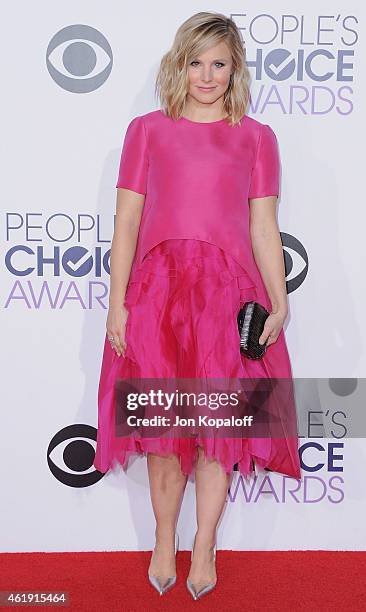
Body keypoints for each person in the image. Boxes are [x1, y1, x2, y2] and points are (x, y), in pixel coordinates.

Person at [94, 11, 302, 600]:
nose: (206, 75)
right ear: (179, 63)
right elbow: (127, 222)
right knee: (161, 425)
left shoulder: (257, 137)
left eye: (219, 63)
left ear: (234, 69)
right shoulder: (147, 130)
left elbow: (264, 227)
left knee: (218, 433)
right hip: (158, 294)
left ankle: (204, 545)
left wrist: (279, 303)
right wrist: (117, 304)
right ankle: (166, 540)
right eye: (196, 62)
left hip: (227, 298)